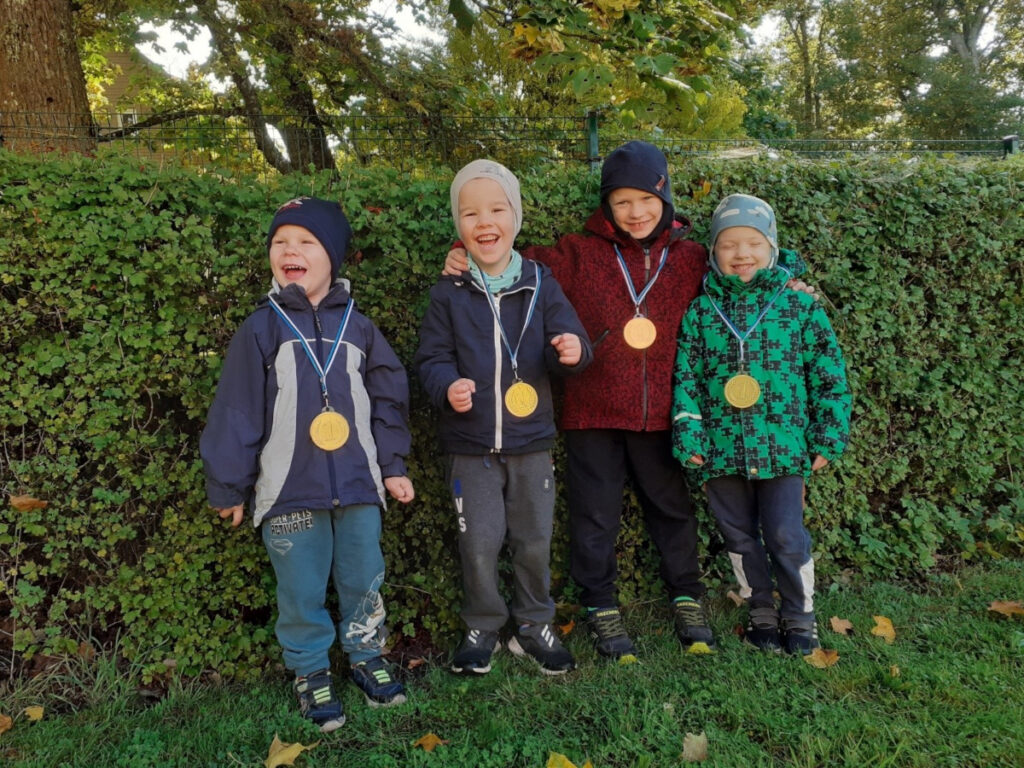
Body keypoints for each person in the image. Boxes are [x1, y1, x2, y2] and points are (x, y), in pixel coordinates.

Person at [444, 141, 730, 660]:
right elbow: (507, 257)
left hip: (661, 413)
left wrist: (791, 274)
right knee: (594, 516)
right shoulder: (577, 253)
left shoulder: (690, 258)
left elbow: (744, 261)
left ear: (665, 196)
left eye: (645, 199)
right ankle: (601, 604)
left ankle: (686, 595)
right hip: (591, 412)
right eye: (621, 202)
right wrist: (465, 254)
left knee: (671, 509)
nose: (635, 212)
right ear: (606, 206)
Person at [201, 197, 415, 733]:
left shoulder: (361, 329)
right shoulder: (260, 329)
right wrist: (228, 485)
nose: (290, 251)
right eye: (280, 242)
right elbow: (236, 411)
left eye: (306, 242)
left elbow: (389, 402)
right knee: (300, 589)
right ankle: (310, 671)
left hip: (360, 489)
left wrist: (392, 466)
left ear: (332, 258)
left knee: (365, 579)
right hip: (287, 494)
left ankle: (367, 656)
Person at [415, 159, 593, 676]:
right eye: (469, 213)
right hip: (469, 446)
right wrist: (448, 387)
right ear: (458, 225)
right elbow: (430, 359)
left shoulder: (542, 283)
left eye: (496, 209)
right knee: (479, 541)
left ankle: (535, 622)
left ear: (515, 217)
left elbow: (575, 341)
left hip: (531, 440)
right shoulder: (447, 292)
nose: (483, 221)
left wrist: (571, 348)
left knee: (534, 538)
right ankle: (484, 626)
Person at [671, 193, 851, 655]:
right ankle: (761, 609)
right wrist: (689, 432)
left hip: (784, 447)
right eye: (729, 244)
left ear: (771, 246)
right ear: (714, 252)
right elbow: (686, 377)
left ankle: (800, 614)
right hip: (721, 450)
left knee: (787, 536)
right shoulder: (700, 312)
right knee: (738, 535)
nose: (742, 253)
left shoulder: (799, 307)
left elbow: (828, 374)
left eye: (752, 242)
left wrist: (828, 435)